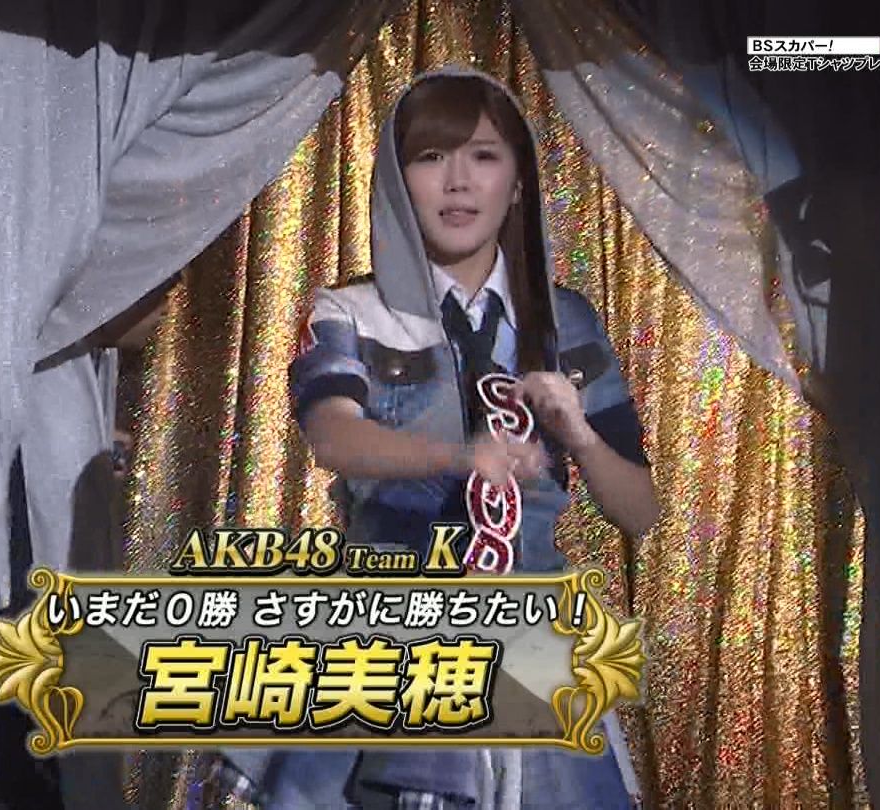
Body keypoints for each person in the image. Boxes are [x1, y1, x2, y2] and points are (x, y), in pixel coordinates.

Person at [214, 66, 660, 809]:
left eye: (484, 156)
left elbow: (639, 511)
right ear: (398, 183)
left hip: (532, 632)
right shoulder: (352, 311)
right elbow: (332, 437)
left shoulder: (567, 322)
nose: (458, 181)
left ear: (517, 184)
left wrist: (578, 434)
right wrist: (457, 456)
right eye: (430, 157)